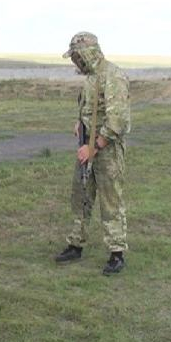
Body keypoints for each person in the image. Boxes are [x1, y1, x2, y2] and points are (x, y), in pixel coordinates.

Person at [54, 32, 131, 275]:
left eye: (77, 56)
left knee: (110, 201)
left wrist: (94, 147)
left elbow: (117, 120)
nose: (75, 62)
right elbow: (89, 108)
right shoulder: (90, 77)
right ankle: (76, 244)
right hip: (86, 144)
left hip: (105, 149)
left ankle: (116, 253)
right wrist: (80, 123)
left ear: (87, 53)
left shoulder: (113, 76)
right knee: (81, 197)